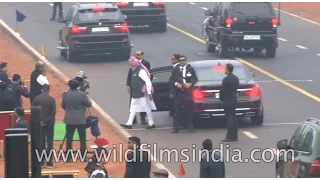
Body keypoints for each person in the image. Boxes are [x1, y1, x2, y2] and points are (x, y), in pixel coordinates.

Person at [121, 57, 156, 129]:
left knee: (146, 107)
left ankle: (151, 123)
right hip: (135, 93)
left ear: (134, 65)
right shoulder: (135, 70)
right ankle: (129, 123)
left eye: (131, 65)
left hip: (141, 93)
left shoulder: (141, 71)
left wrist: (149, 92)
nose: (130, 66)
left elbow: (148, 81)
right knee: (133, 107)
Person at [62, 80, 92, 159]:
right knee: (82, 138)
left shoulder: (66, 94)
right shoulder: (82, 94)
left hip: (69, 119)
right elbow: (89, 104)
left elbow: (63, 105)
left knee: (69, 138)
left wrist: (69, 110)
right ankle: (83, 156)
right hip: (80, 119)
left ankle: (68, 156)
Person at [170, 55, 198, 133]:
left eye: (183, 60)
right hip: (178, 93)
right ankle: (176, 128)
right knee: (177, 111)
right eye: (180, 60)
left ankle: (190, 127)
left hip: (187, 93)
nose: (182, 62)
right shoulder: (175, 70)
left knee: (188, 111)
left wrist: (190, 84)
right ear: (178, 61)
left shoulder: (190, 69)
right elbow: (171, 80)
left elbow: (195, 79)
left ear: (185, 61)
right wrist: (176, 84)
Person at [32, 84, 56, 168]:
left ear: (42, 90)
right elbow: (52, 113)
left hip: (39, 124)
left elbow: (33, 111)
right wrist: (45, 121)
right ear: (48, 90)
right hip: (49, 123)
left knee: (41, 142)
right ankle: (49, 163)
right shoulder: (51, 99)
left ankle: (41, 162)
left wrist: (40, 121)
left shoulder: (36, 98)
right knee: (49, 143)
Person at [126, 50, 151, 125]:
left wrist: (147, 88)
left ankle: (144, 119)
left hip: (142, 88)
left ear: (142, 55)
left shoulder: (146, 63)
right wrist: (128, 85)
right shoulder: (132, 62)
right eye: (136, 54)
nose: (137, 56)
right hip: (134, 87)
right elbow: (129, 75)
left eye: (138, 55)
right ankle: (132, 120)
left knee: (144, 105)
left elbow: (149, 75)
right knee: (132, 104)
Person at [220, 63, 239, 142]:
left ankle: (230, 136)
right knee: (234, 118)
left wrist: (221, 99)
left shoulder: (226, 79)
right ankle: (235, 135)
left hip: (227, 101)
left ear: (227, 69)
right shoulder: (236, 78)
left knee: (229, 119)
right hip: (234, 100)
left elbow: (222, 90)